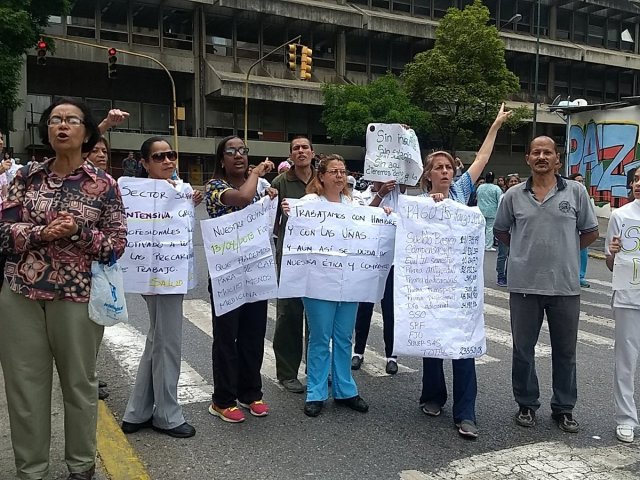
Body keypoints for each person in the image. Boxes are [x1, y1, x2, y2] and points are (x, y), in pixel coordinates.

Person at [0, 97, 127, 480]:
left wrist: (79, 231)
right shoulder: (26, 177)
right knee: (24, 387)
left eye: (71, 120)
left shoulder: (105, 186)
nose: (62, 126)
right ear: (48, 131)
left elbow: (116, 244)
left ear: (86, 131)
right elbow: (3, 230)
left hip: (77, 296)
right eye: (55, 120)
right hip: (21, 292)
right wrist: (41, 232)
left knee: (79, 383)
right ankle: (31, 470)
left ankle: (80, 467)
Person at [417, 103, 511, 440]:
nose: (445, 171)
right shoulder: (416, 204)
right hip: (428, 285)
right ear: (427, 174)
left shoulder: (461, 191)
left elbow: (482, 159)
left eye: (449, 167)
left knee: (463, 346)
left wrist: (496, 125)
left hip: (460, 286)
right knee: (432, 343)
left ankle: (466, 412)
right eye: (438, 167)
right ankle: (432, 396)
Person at [494, 136, 599, 434]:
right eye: (536, 152)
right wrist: (524, 251)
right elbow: (501, 231)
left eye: (548, 152)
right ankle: (526, 404)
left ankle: (564, 408)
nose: (542, 156)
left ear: (558, 160)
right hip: (524, 285)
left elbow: (590, 232)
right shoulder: (512, 195)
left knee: (565, 351)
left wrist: (564, 249)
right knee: (522, 349)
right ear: (527, 158)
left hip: (565, 286)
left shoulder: (576, 192)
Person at [121, 137, 203, 439]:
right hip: (149, 275)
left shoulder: (180, 190)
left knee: (157, 339)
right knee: (167, 341)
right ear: (144, 163)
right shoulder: (135, 193)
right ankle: (167, 414)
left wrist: (189, 200)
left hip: (171, 275)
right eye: (158, 157)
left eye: (171, 155)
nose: (167, 161)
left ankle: (138, 410)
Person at [282, 154, 376, 417]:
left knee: (345, 337)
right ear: (320, 176)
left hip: (350, 281)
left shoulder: (353, 202)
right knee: (321, 337)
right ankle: (316, 391)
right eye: (333, 171)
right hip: (318, 283)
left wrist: (385, 215)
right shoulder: (310, 203)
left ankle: (346, 390)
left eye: (342, 171)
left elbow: (371, 226)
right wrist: (290, 211)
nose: (339, 175)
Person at [205, 136, 275, 423]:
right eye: (230, 151)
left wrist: (273, 202)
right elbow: (243, 198)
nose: (238, 156)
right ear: (221, 159)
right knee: (226, 337)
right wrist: (257, 175)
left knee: (253, 334)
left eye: (243, 151)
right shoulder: (215, 188)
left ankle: (250, 393)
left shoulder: (259, 188)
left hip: (255, 271)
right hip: (226, 275)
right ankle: (222, 399)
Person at [271, 136, 316, 393]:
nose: (301, 151)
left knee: (317, 314)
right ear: (291, 155)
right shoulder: (281, 183)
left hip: (319, 258)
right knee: (289, 313)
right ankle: (287, 373)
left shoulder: (321, 180)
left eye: (305, 148)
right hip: (289, 257)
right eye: (296, 148)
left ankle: (316, 367)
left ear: (312, 152)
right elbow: (269, 218)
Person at [351, 179, 399, 375]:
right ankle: (358, 351)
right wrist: (379, 197)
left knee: (390, 310)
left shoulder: (398, 197)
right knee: (364, 308)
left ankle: (391, 355)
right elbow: (360, 218)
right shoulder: (359, 195)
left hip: (391, 261)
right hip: (368, 262)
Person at [606, 169, 640, 443]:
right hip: (629, 296)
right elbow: (609, 262)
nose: (638, 184)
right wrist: (614, 254)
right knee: (626, 361)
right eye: (636, 179)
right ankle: (626, 418)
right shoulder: (620, 216)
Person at [496, 174, 520, 287]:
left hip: (518, 231)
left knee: (513, 255)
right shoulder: (504, 197)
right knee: (503, 254)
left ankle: (509, 275)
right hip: (505, 230)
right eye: (511, 181)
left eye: (516, 181)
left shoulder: (523, 196)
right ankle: (501, 276)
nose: (514, 183)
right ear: (507, 184)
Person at [568, 172, 591, 288]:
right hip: (570, 230)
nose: (580, 183)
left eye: (582, 181)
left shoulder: (583, 192)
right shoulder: (568, 193)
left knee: (583, 254)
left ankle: (580, 276)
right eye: (578, 181)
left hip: (582, 229)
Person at [476, 171, 503, 252]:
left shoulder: (480, 187)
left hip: (480, 210)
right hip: (492, 211)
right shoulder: (496, 188)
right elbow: (500, 200)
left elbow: (477, 197)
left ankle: (480, 244)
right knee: (489, 228)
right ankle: (488, 246)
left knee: (481, 228)